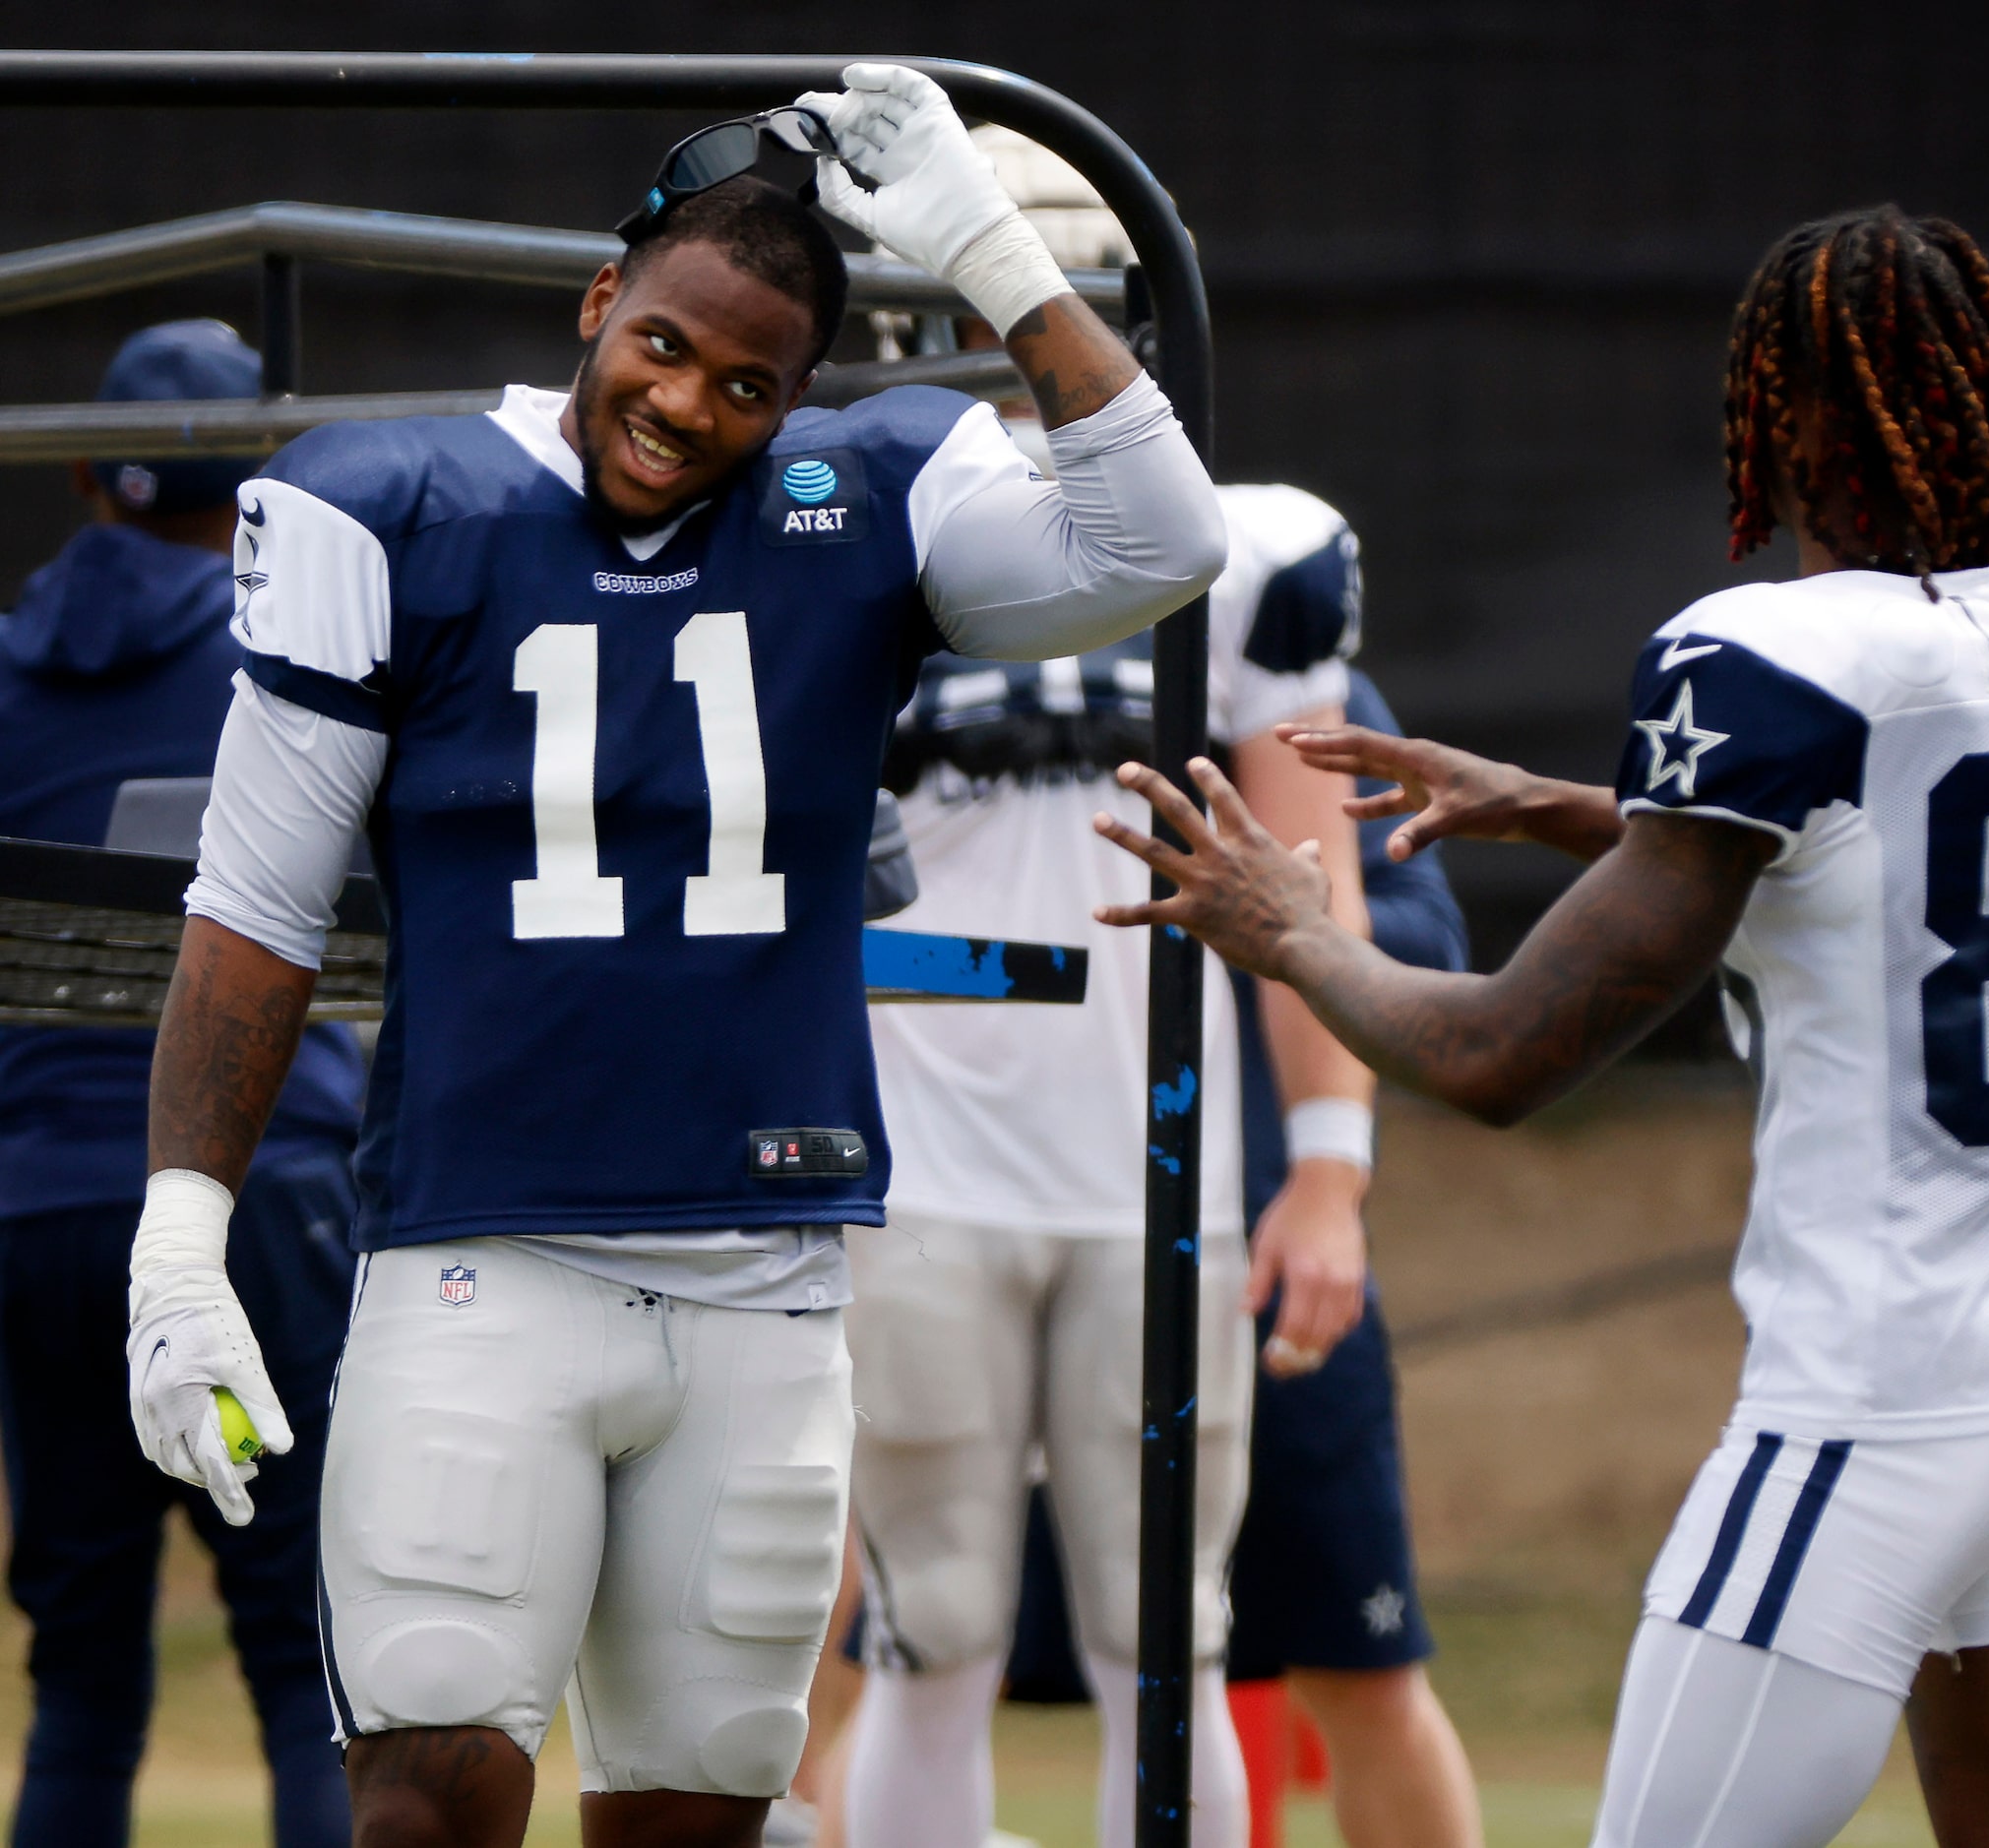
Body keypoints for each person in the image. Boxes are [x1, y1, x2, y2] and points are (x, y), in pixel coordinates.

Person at [123, 65, 1225, 1848]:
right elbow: (252, 902)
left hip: (761, 1274)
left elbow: (1163, 536)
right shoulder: (387, 504)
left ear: (797, 399)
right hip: (485, 1241)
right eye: (660, 346)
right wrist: (181, 1237)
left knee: (698, 1807)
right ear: (596, 304)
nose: (681, 404)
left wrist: (983, 252)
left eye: (745, 386)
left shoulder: (872, 492)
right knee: (424, 1791)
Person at [1092, 206, 1989, 1848]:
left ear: (1791, 420)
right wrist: (1590, 808)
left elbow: (1497, 1056)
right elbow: (1898, 839)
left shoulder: (1772, 660)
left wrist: (1294, 935)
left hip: (1873, 1405)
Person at [840, 128, 1379, 1848]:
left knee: (1173, 1638)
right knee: (928, 1627)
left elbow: (1305, 878)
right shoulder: (839, 516)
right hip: (910, 1161)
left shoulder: (1241, 542)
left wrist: (1330, 1160)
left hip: (1154, 1164)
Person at [0, 321, 361, 1848]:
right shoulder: (290, 650)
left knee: (82, 1676)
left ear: (85, 473)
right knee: (309, 1660)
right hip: (257, 1189)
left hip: (39, 1205)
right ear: (264, 479)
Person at [1225, 666, 1484, 1848]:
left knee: (1360, 1658)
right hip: (988, 1229)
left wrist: (1273, 901)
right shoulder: (959, 621)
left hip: (1255, 1231)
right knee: (891, 1651)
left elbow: (1423, 936)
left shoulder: (1287, 665)